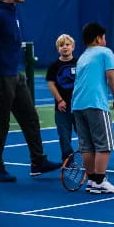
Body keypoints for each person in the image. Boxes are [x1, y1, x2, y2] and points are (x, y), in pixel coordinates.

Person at [0, 0, 61, 182]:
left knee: (30, 117)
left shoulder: (8, 9)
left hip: (15, 74)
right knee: (1, 123)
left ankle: (38, 162)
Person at [72, 22, 114, 193]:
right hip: (96, 104)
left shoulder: (82, 57)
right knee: (104, 144)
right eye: (104, 37)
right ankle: (100, 181)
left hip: (77, 105)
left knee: (87, 146)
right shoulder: (105, 52)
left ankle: (92, 181)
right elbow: (112, 76)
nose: (105, 40)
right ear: (98, 38)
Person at [46, 34, 78, 162]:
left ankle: (88, 157)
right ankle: (68, 159)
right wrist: (60, 100)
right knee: (64, 135)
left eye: (67, 44)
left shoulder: (79, 63)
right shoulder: (54, 66)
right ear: (57, 49)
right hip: (62, 107)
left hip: (78, 105)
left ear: (73, 47)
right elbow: (51, 84)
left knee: (84, 133)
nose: (65, 47)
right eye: (61, 45)